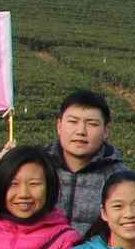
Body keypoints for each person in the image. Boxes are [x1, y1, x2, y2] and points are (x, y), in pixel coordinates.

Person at [46, 90, 126, 235]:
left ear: (106, 131)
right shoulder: (38, 166)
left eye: (92, 124)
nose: (81, 131)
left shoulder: (119, 176)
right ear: (59, 126)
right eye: (73, 122)